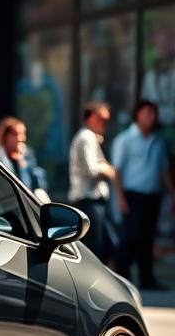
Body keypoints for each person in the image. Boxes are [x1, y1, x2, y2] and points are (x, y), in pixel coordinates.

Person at [112, 99, 175, 290]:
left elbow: (164, 170)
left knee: (147, 239)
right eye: (147, 113)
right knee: (131, 238)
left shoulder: (157, 141)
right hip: (132, 196)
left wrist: (173, 192)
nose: (151, 117)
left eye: (153, 113)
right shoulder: (125, 139)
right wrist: (120, 198)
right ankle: (122, 281)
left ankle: (147, 279)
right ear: (137, 115)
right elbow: (117, 171)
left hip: (153, 197)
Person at [68, 101, 118, 263]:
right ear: (90, 118)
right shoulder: (86, 137)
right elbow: (92, 170)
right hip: (88, 200)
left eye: (106, 119)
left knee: (107, 243)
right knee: (97, 247)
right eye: (101, 118)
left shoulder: (90, 137)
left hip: (94, 200)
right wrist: (107, 169)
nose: (104, 123)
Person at [0, 116, 50, 203]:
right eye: (15, 134)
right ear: (5, 137)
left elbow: (37, 185)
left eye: (22, 134)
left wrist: (24, 164)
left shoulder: (27, 157)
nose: (20, 139)